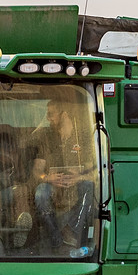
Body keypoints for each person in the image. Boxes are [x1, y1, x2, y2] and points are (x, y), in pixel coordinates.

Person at [29, 97, 96, 256]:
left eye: (51, 114)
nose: (48, 118)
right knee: (41, 192)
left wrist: (78, 177)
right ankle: (56, 240)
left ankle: (70, 230)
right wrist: (47, 178)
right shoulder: (47, 137)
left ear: (64, 114)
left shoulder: (83, 138)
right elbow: (37, 171)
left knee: (88, 186)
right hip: (52, 185)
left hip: (77, 184)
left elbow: (94, 173)